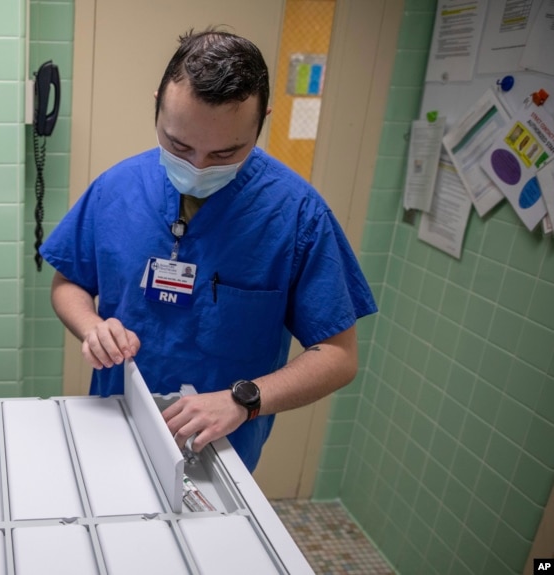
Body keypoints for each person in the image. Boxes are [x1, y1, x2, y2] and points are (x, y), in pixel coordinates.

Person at [39, 28, 377, 471]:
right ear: (158, 101)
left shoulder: (297, 215)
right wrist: (91, 327)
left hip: (221, 450)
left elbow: (338, 356)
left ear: (262, 121)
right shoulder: (116, 189)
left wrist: (244, 400)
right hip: (116, 424)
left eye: (225, 153)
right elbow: (68, 285)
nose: (197, 167)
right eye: (179, 145)